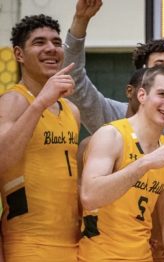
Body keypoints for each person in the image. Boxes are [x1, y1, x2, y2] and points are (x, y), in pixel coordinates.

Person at [67, 0, 164, 226]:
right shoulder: (113, 118)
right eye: (159, 65)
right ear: (140, 86)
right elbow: (76, 82)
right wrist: (80, 23)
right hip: (117, 238)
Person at [78, 65, 164, 261]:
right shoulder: (111, 135)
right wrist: (145, 163)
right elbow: (89, 196)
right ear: (141, 95)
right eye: (163, 94)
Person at [0, 14, 80, 261]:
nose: (51, 49)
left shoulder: (71, 110)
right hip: (29, 243)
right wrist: (41, 102)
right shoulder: (12, 101)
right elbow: (2, 159)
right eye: (39, 42)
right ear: (19, 54)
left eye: (56, 42)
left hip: (73, 241)